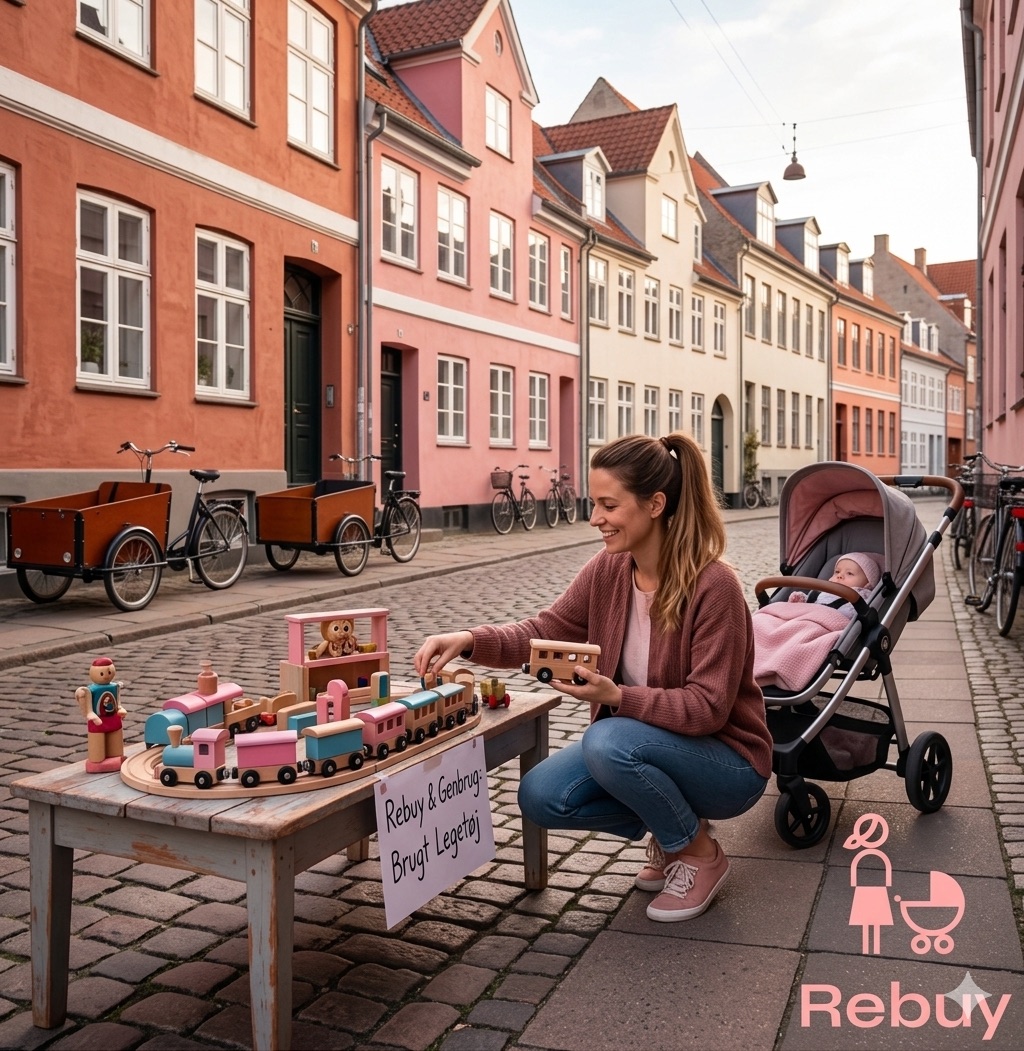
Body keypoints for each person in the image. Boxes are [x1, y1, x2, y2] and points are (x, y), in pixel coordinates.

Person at [414, 432, 772, 922]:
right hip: (649, 746)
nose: (595, 518)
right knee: (540, 796)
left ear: (655, 505)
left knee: (606, 741)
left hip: (729, 763)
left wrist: (617, 696)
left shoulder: (715, 587)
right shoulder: (608, 571)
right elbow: (545, 631)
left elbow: (708, 707)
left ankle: (699, 855)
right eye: (593, 502)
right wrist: (470, 640)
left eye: (608, 504)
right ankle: (677, 829)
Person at [784, 552, 882, 620]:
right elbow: (816, 601)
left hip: (829, 622)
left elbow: (851, 613)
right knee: (777, 609)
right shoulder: (824, 590)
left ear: (867, 584)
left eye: (849, 573)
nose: (840, 575)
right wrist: (803, 600)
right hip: (808, 617)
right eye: (837, 572)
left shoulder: (862, 595)